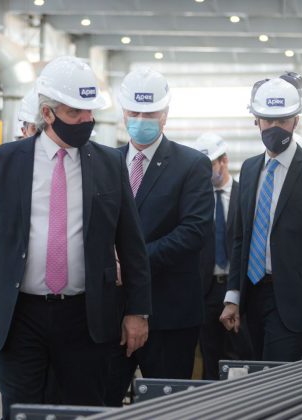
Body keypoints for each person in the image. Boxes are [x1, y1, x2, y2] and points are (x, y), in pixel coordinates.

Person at [0, 56, 152, 419]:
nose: (87, 120)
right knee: (21, 411)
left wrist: (137, 311)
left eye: (90, 112)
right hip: (20, 314)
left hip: (86, 315)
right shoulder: (1, 163)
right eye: (75, 112)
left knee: (85, 410)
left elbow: (132, 245)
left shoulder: (109, 163)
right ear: (47, 114)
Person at [104, 67, 213, 406]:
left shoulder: (191, 164)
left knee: (167, 408)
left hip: (169, 314)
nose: (140, 119)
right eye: (134, 112)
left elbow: (193, 232)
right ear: (123, 113)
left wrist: (131, 263)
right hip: (110, 313)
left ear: (165, 114)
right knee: (101, 403)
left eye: (149, 113)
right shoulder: (105, 162)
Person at [219, 78, 302, 362]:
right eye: (268, 120)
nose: (274, 127)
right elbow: (241, 238)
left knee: (277, 381)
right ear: (256, 121)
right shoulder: (251, 169)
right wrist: (233, 296)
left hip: (295, 302)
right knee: (253, 376)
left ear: (296, 121)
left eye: (283, 120)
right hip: (252, 298)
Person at [193, 132, 253, 380]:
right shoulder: (197, 199)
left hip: (239, 288)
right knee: (210, 355)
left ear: (224, 161)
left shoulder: (245, 195)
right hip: (206, 290)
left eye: (209, 166)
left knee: (240, 354)